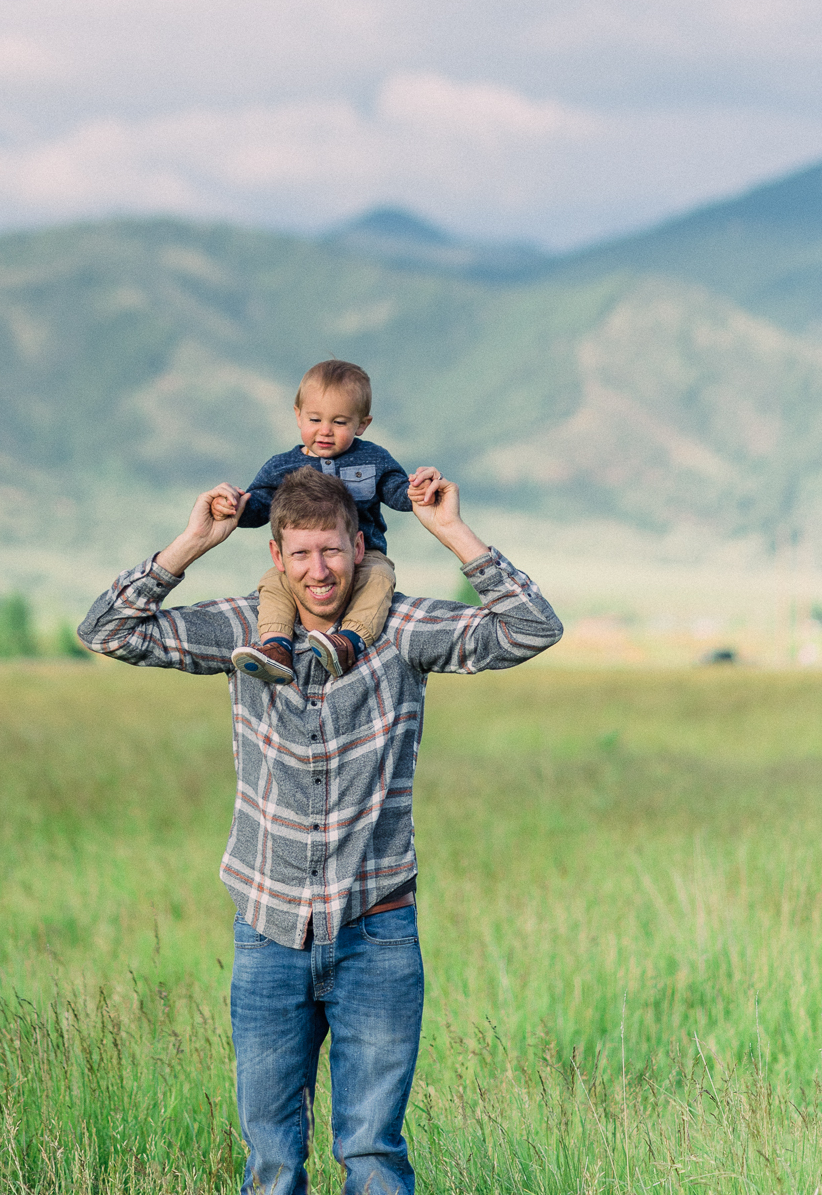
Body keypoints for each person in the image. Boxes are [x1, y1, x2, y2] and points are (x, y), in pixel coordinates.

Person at [78, 464, 563, 1195]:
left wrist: (450, 531)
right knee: (271, 1162)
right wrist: (192, 541)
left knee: (372, 1155)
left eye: (332, 551)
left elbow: (531, 628)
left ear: (359, 550)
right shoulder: (244, 631)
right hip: (268, 932)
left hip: (376, 933)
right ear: (277, 557)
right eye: (300, 554)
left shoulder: (401, 630)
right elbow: (107, 630)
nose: (318, 570)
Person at [211, 356, 419, 683]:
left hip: (363, 557)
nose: (325, 431)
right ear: (297, 415)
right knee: (272, 583)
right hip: (306, 561)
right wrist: (233, 507)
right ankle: (277, 647)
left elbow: (395, 489)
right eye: (314, 419)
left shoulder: (373, 458)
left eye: (339, 422)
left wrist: (418, 493)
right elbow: (259, 504)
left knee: (380, 578)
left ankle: (347, 643)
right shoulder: (282, 466)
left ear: (361, 424)